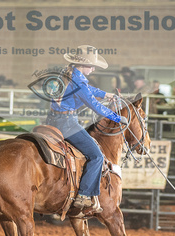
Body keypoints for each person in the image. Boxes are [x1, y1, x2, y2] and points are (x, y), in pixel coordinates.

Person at [45, 44, 127, 213]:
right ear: (83, 66)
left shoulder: (69, 75)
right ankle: (83, 195)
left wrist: (106, 94)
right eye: (92, 66)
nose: (93, 69)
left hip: (52, 120)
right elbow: (96, 106)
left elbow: (89, 90)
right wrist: (118, 118)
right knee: (96, 155)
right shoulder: (79, 82)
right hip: (67, 123)